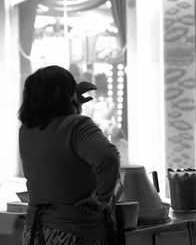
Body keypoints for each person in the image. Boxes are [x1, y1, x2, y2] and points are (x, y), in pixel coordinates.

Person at [18, 65, 121, 245]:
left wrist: (73, 104)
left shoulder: (26, 130)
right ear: (66, 95)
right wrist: (100, 199)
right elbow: (109, 158)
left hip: (35, 232)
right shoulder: (78, 126)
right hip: (73, 234)